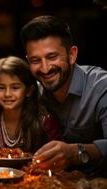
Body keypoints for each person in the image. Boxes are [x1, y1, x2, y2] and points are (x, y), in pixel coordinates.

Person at [21, 15, 107, 176]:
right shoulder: (35, 94)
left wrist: (76, 152)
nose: (45, 68)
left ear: (72, 55)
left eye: (52, 57)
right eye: (35, 60)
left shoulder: (101, 86)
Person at [0, 56, 60, 153]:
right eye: (1, 88)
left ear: (29, 91)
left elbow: (56, 157)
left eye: (15, 88)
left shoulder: (44, 121)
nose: (7, 94)